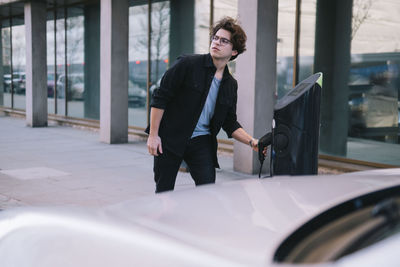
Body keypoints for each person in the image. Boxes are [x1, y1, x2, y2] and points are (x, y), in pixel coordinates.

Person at [146, 17, 262, 193]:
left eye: (224, 41)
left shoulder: (230, 85)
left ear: (234, 51)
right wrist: (154, 135)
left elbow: (230, 123)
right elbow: (160, 97)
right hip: (171, 137)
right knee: (164, 191)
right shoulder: (187, 64)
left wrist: (252, 141)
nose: (216, 43)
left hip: (201, 142)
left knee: (207, 190)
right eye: (215, 38)